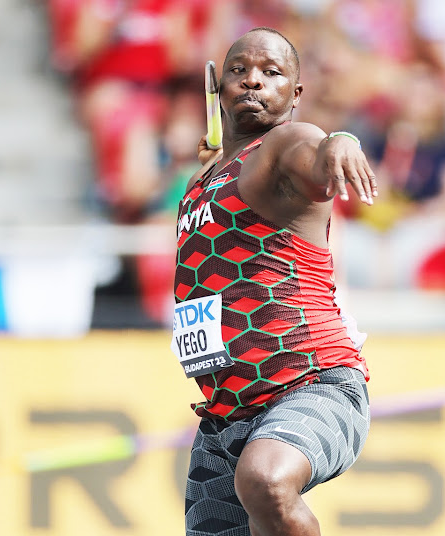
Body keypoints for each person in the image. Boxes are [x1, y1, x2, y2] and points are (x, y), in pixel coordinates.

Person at [172, 27, 377, 536]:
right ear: (217, 88)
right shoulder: (203, 180)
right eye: (239, 71)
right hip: (225, 415)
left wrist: (341, 141)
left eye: (272, 72)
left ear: (295, 94)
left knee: (265, 480)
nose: (253, 82)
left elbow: (316, 148)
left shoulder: (285, 145)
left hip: (313, 387)